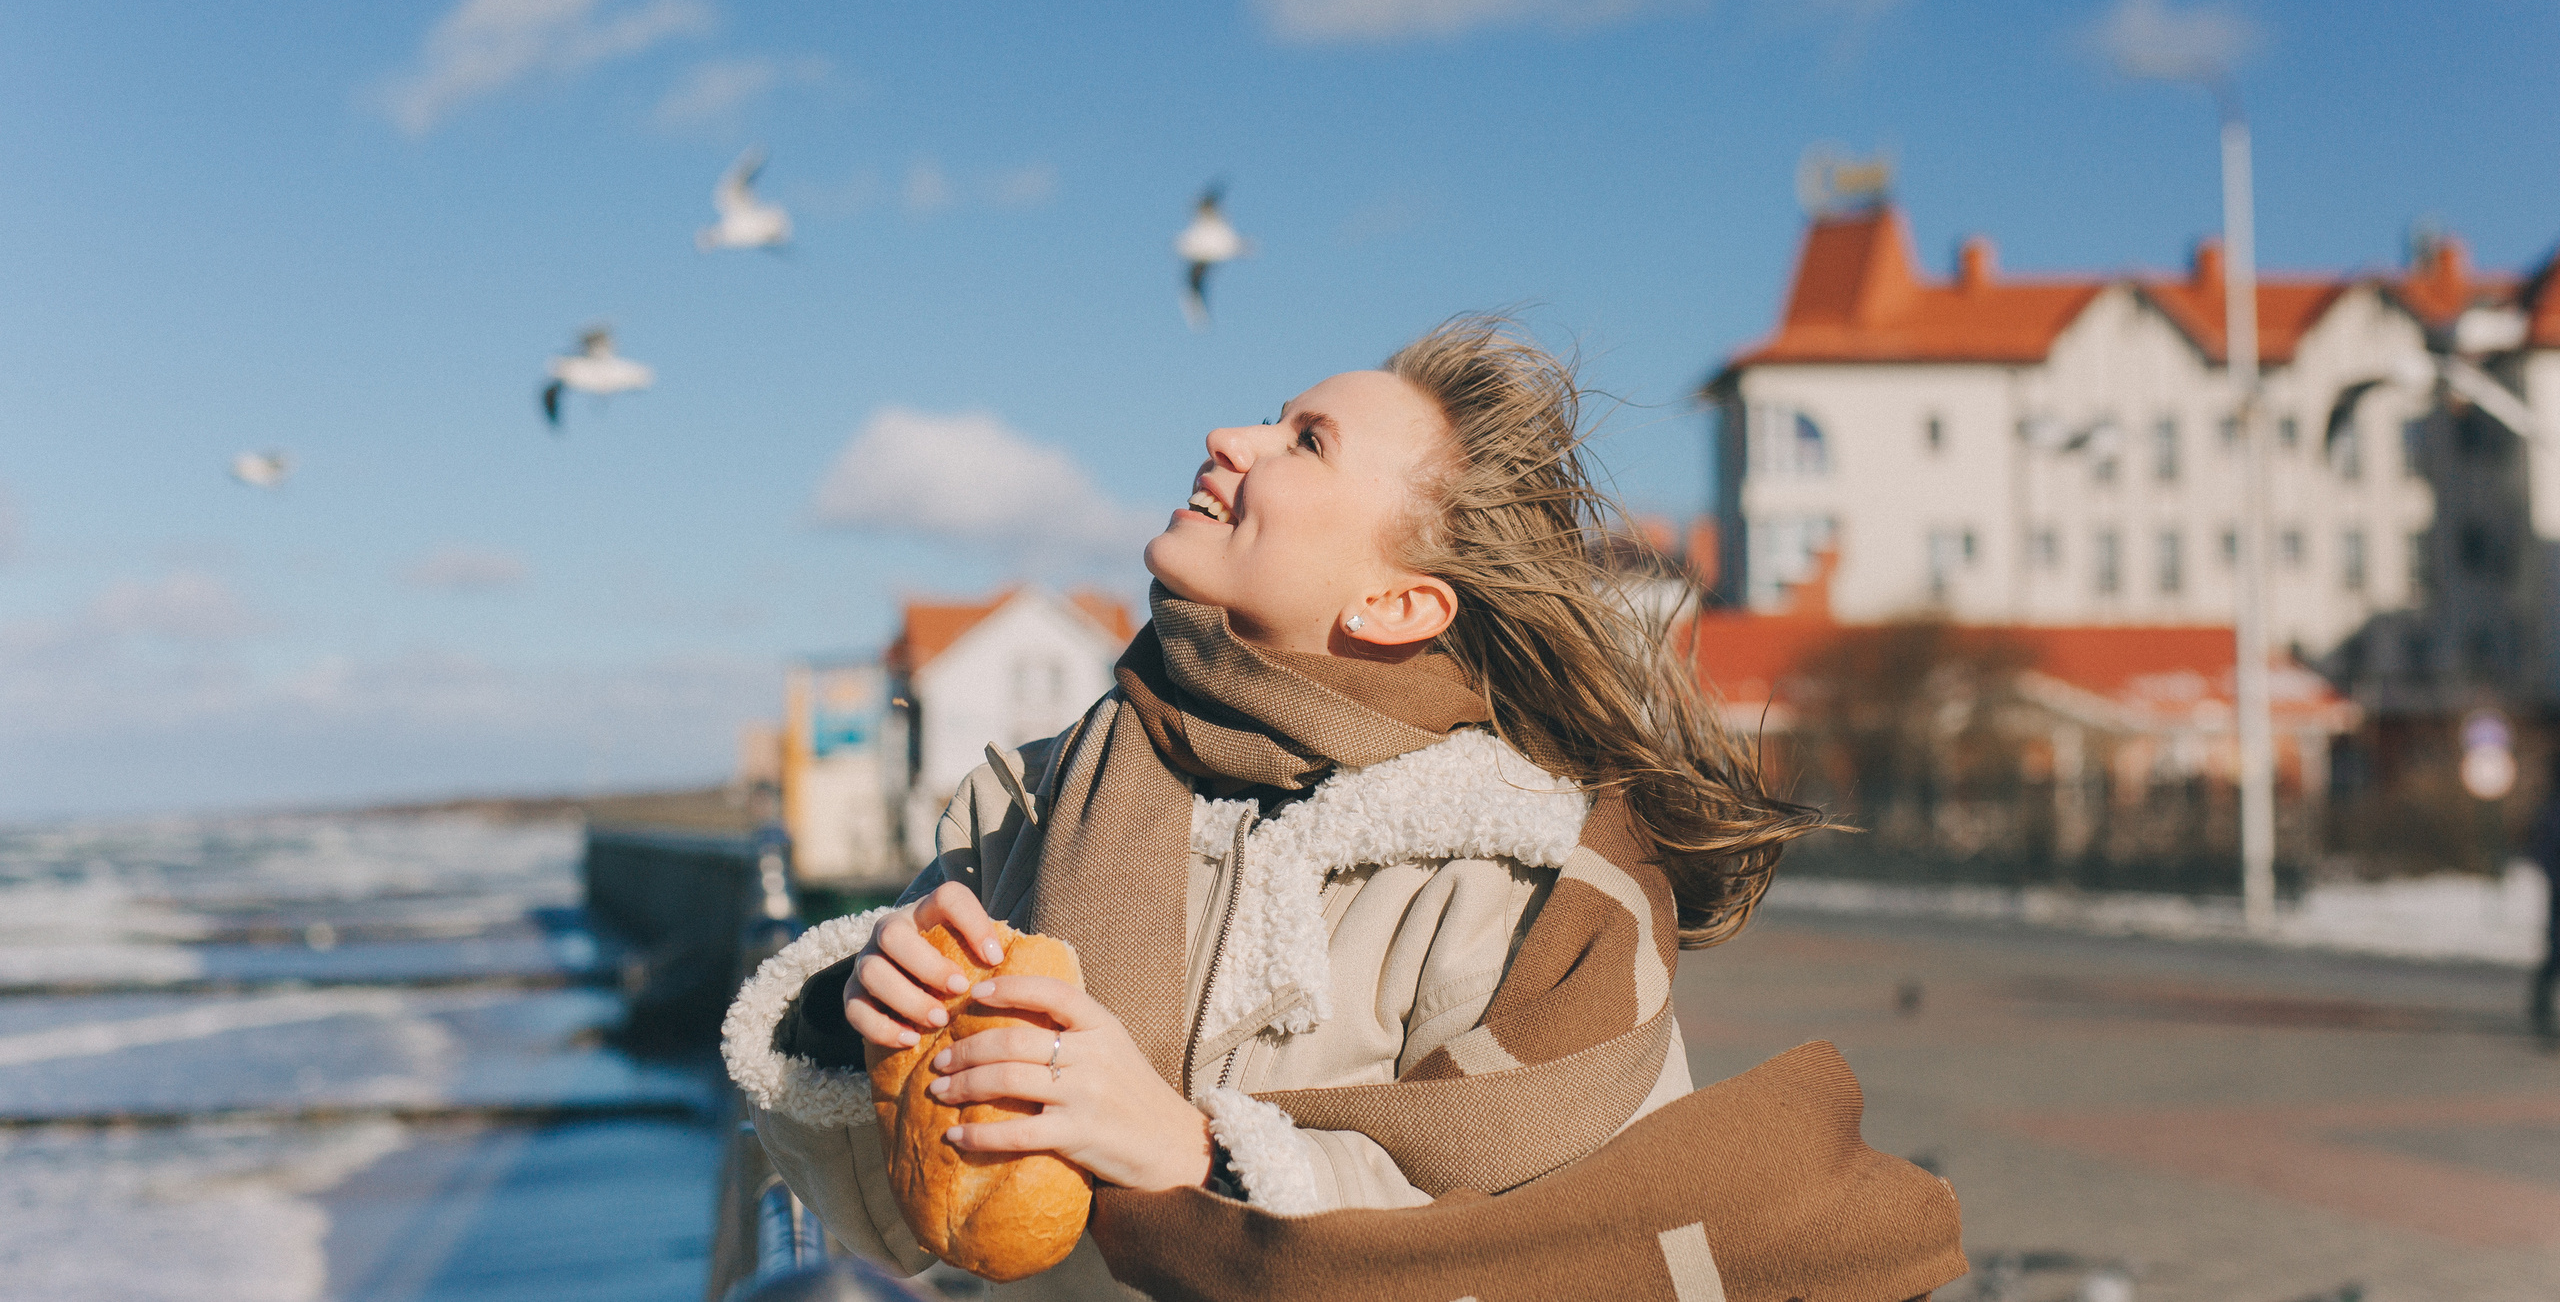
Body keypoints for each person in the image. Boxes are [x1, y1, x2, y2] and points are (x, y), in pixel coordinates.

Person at [724, 318, 1964, 1301]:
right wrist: (853, 1022)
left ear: (1395, 607)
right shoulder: (1045, 787)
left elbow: (1528, 1249)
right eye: (1272, 419)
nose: (1228, 437)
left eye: (1303, 442)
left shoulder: (1531, 877)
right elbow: (913, 1229)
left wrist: (1195, 1157)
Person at [2532, 750, 2560, 1044]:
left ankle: (2541, 1012)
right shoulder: (2554, 811)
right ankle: (2540, 1013)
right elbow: (2545, 852)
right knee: (2555, 953)